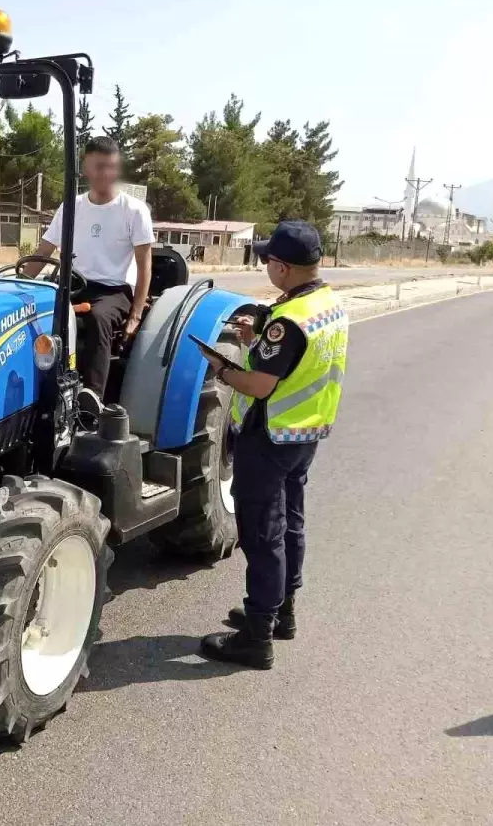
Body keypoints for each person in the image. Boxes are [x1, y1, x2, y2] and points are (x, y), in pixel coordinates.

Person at [198, 220, 348, 669]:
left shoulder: (288, 323)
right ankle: (283, 613)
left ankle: (255, 638)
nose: (264, 265)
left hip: (269, 439)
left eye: (267, 260)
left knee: (263, 536)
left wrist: (221, 369)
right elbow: (294, 364)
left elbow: (260, 385)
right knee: (291, 524)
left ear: (282, 268)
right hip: (305, 434)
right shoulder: (327, 305)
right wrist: (256, 337)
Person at [27, 136, 154, 413]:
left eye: (110, 167)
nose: (105, 174)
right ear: (85, 168)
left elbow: (145, 265)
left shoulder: (134, 210)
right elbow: (44, 250)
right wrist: (19, 285)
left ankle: (91, 397)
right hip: (72, 284)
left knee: (97, 319)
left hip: (113, 290)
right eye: (98, 167)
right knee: (37, 315)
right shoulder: (72, 208)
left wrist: (135, 315)